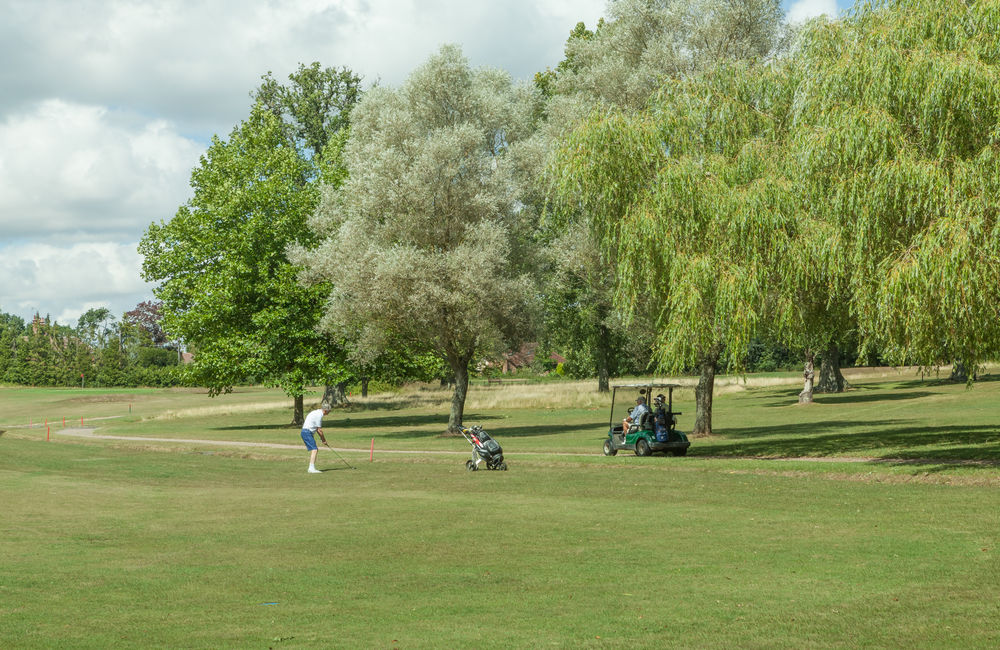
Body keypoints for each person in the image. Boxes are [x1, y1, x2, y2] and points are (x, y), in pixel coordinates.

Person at [301, 404, 330, 474]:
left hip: (306, 432)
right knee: (314, 449)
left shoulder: (316, 412)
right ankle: (311, 469)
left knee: (314, 449)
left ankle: (311, 468)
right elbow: (319, 430)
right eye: (329, 411)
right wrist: (323, 440)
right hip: (307, 432)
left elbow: (317, 429)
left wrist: (322, 439)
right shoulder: (319, 415)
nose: (330, 412)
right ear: (326, 411)